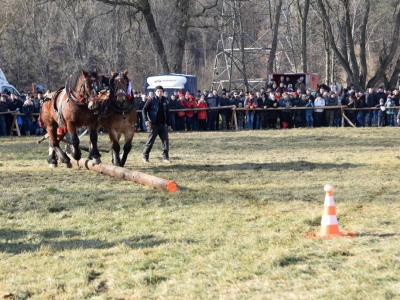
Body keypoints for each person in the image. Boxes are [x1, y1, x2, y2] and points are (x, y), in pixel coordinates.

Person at [142, 85, 171, 163]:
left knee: (165, 142)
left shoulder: (165, 101)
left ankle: (165, 158)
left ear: (163, 92)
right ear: (155, 92)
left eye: (161, 91)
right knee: (150, 141)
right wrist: (146, 120)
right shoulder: (151, 100)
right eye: (158, 91)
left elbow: (167, 113)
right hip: (153, 124)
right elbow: (144, 110)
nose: (159, 93)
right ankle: (145, 157)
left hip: (163, 125)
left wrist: (169, 124)